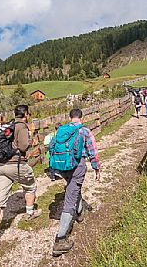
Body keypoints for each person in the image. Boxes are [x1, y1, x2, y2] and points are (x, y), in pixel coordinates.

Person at [0, 105, 42, 255]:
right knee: (30, 186)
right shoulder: (21, 127)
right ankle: (30, 212)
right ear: (26, 115)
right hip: (16, 165)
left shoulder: (7, 125)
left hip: (0, 166)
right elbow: (23, 146)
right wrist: (29, 140)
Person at [51, 109, 100, 257]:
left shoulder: (62, 130)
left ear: (70, 117)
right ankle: (60, 240)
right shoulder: (84, 131)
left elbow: (52, 148)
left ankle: (79, 213)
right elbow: (93, 150)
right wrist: (96, 168)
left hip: (62, 166)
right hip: (77, 166)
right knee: (70, 197)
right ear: (81, 117)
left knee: (73, 187)